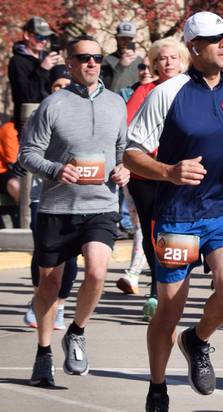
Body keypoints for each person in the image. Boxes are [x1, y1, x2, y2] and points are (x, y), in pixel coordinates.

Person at [125, 11, 223, 412]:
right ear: (193, 47)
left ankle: (198, 339)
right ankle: (157, 392)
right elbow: (132, 153)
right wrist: (169, 171)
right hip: (179, 215)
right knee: (168, 310)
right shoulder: (167, 93)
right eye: (216, 40)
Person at [20, 35, 129, 387]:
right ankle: (43, 352)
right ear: (70, 62)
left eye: (97, 57)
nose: (92, 63)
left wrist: (124, 169)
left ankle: (77, 332)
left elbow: (123, 150)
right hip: (57, 207)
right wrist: (55, 169)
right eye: (84, 58)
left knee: (97, 272)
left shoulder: (116, 103)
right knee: (49, 286)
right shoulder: (52, 104)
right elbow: (27, 154)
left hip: (101, 205)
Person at [118, 37, 190, 321]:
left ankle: (175, 287)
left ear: (183, 61)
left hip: (183, 171)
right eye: (162, 58)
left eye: (173, 57)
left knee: (180, 231)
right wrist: (123, 162)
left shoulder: (192, 90)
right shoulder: (145, 91)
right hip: (147, 173)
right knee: (153, 232)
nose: (168, 62)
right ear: (154, 64)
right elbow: (127, 131)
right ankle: (156, 291)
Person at [22, 65, 81, 332]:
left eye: (66, 84)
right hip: (42, 196)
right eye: (57, 85)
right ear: (51, 88)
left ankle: (60, 304)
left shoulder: (83, 115)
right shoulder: (40, 114)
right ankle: (40, 298)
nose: (62, 89)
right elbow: (27, 153)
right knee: (43, 253)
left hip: (77, 197)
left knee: (70, 258)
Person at [8, 16, 61, 132]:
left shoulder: (47, 58)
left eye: (46, 37)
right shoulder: (17, 61)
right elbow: (25, 96)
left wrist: (61, 69)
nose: (43, 41)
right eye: (39, 36)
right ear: (27, 35)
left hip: (51, 118)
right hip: (29, 122)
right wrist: (43, 69)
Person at [101, 21, 145, 94]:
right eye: (123, 38)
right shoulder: (107, 61)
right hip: (114, 101)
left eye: (130, 39)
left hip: (135, 102)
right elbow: (105, 86)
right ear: (116, 38)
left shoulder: (139, 61)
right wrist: (120, 66)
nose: (126, 42)